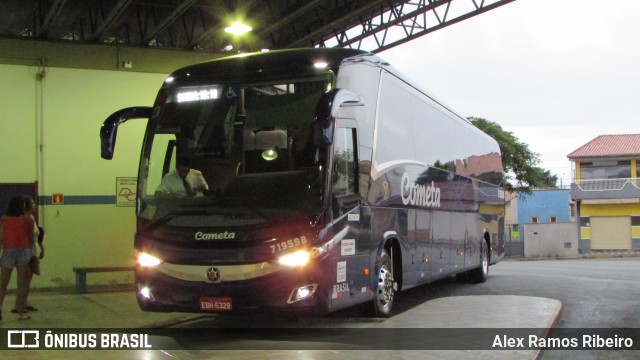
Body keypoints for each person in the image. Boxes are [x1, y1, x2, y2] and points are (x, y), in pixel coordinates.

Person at [0, 196, 36, 321]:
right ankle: (21, 313)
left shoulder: (4, 219)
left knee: (3, 284)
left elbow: (1, 238)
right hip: (24, 251)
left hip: (8, 251)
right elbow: (31, 239)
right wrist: (31, 252)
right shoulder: (28, 220)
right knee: (22, 284)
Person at [11, 196, 42, 314]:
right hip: (27, 252)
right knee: (23, 280)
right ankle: (18, 305)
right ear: (27, 206)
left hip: (33, 251)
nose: (35, 205)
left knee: (28, 280)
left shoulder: (32, 218)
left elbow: (37, 236)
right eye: (32, 203)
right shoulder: (23, 219)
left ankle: (24, 302)